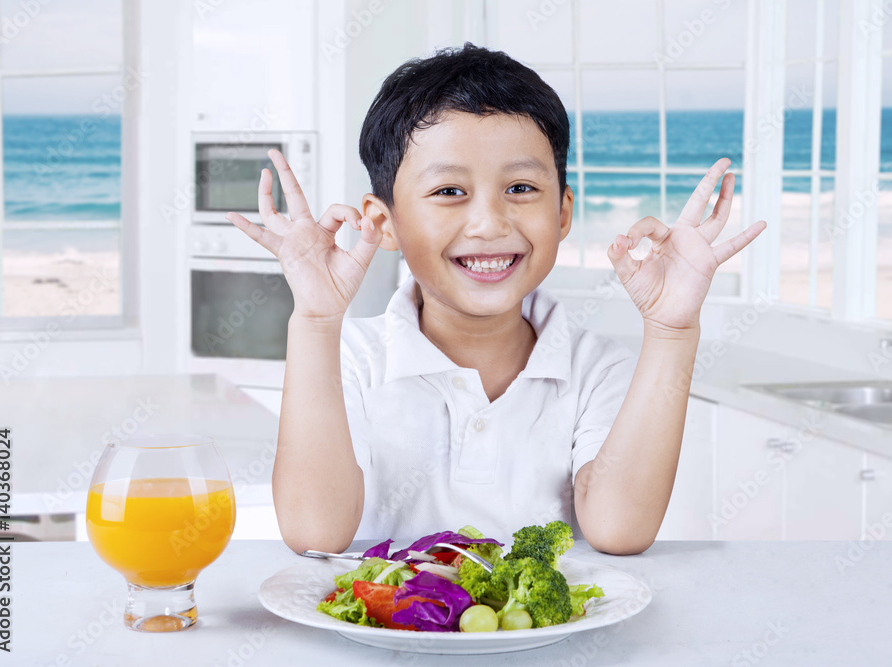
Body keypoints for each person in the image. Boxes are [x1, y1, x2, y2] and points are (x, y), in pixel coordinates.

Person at [226, 43, 765, 555]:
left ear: (562, 213)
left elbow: (621, 529)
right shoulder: (350, 358)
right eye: (449, 192)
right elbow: (314, 533)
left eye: (521, 188)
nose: (489, 224)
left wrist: (672, 331)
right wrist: (317, 320)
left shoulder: (599, 369)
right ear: (381, 222)